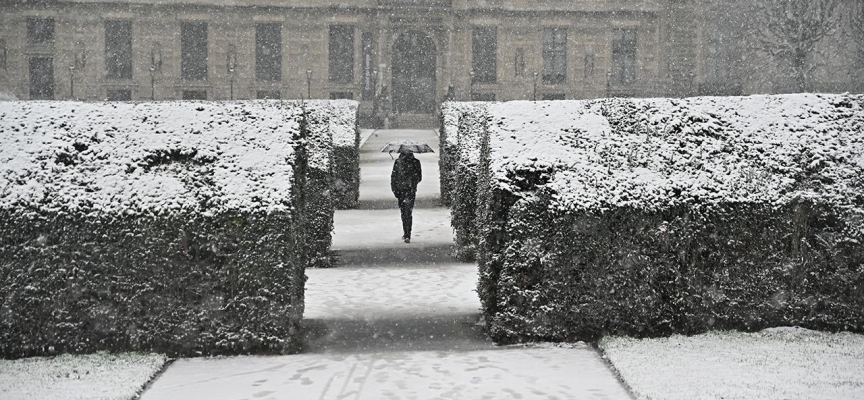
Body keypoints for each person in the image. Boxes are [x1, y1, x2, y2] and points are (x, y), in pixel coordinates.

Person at [390, 151, 422, 243]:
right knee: (408, 211)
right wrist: (412, 182)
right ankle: (408, 233)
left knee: (404, 212)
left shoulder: (398, 162)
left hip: (400, 190)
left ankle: (406, 233)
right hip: (410, 190)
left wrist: (395, 189)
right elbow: (419, 177)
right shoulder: (416, 162)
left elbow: (393, 177)